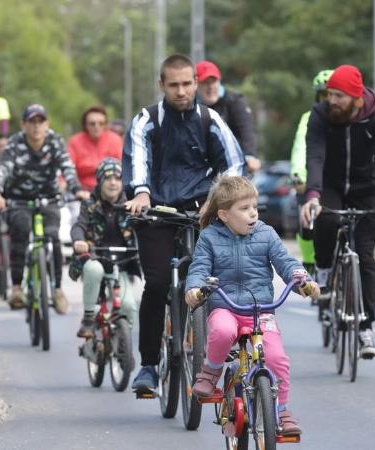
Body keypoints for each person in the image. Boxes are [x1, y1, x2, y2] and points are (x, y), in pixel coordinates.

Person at [122, 54, 245, 395]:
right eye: (173, 84)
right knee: (158, 283)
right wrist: (142, 193)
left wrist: (218, 199)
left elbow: (233, 163)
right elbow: (137, 159)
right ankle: (148, 366)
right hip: (156, 211)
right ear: (162, 85)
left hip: (200, 210)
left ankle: (223, 342)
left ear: (196, 83)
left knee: (217, 279)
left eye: (187, 83)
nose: (181, 91)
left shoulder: (210, 119)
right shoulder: (147, 119)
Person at [184, 175, 319, 436]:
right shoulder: (210, 238)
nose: (252, 214)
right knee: (222, 331)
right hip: (225, 305)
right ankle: (211, 372)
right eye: (244, 209)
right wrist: (194, 288)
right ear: (224, 214)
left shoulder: (266, 234)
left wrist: (303, 281)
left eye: (254, 207)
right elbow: (199, 267)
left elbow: (285, 262)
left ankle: (281, 411)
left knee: (277, 358)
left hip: (260, 311)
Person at [298, 64, 375, 359]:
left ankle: (366, 327)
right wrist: (313, 195)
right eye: (330, 94)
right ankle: (323, 269)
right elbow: (315, 156)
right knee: (324, 218)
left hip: (367, 188)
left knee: (366, 256)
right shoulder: (320, 115)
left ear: (356, 98)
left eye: (339, 96)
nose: (332, 101)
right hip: (330, 185)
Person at [0, 104, 90, 313]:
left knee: (53, 237)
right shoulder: (14, 144)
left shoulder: (54, 141)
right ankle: (16, 287)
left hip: (49, 198)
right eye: (31, 122)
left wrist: (76, 189)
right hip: (18, 200)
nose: (36, 127)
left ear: (47, 124)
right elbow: (2, 169)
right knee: (21, 232)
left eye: (40, 122)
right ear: (23, 125)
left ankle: (57, 290)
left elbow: (67, 166)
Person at [70, 158, 139, 338]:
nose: (113, 182)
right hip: (95, 258)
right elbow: (79, 226)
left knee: (129, 306)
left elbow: (142, 229)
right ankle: (88, 318)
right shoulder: (90, 204)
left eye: (117, 178)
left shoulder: (131, 205)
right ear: (100, 181)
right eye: (107, 178)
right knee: (94, 270)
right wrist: (79, 240)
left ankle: (122, 341)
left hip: (121, 263)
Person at [290, 69, 334, 275]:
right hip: (312, 177)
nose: (329, 99)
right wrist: (299, 175)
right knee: (305, 219)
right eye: (324, 94)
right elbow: (301, 148)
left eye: (332, 93)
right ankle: (309, 259)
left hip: (336, 180)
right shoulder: (309, 118)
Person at [196, 60, 260, 173]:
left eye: (213, 81)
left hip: (233, 164)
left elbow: (246, 131)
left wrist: (250, 155)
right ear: (196, 85)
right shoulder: (191, 106)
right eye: (205, 82)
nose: (210, 87)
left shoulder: (235, 101)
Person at [67, 106, 124, 191]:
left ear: (105, 124)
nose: (96, 126)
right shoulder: (75, 142)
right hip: (83, 191)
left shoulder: (115, 140)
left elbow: (124, 168)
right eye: (92, 123)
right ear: (85, 125)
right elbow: (68, 168)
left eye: (101, 123)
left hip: (112, 191)